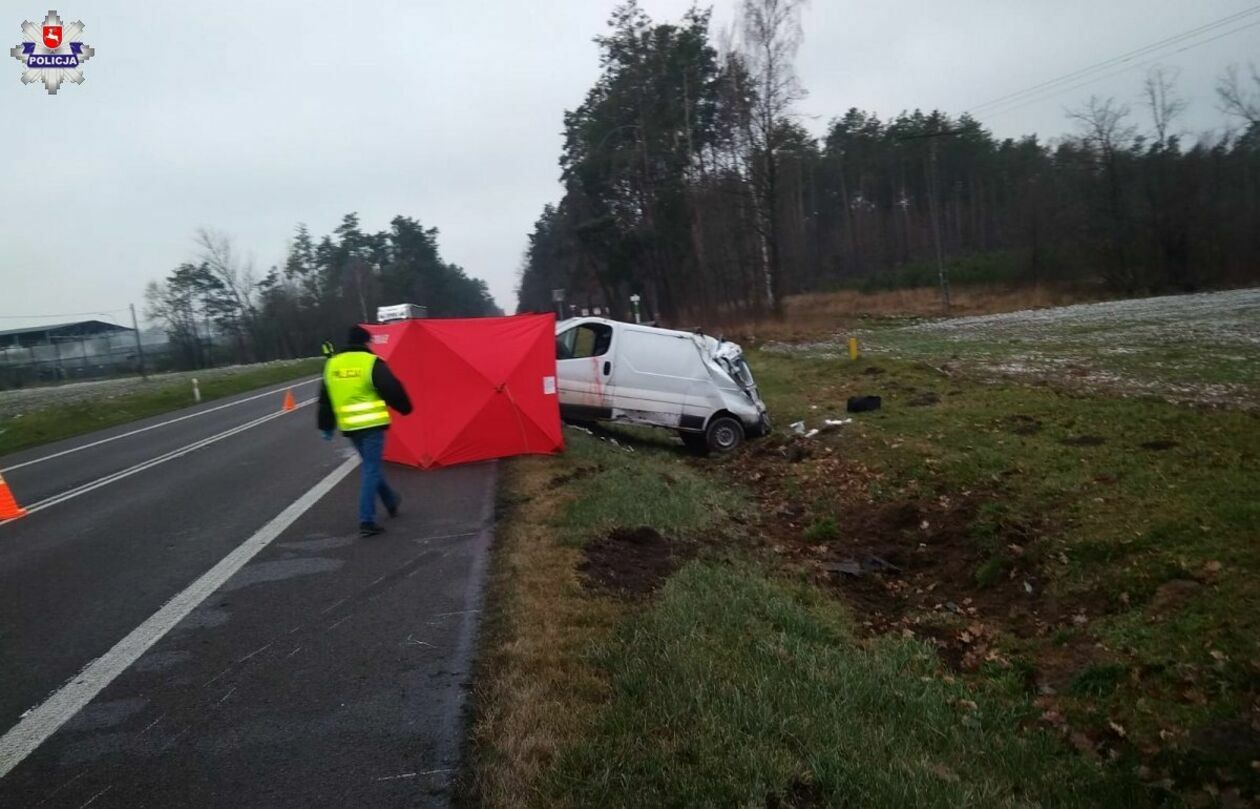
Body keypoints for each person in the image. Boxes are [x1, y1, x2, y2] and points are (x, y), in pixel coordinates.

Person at [318, 325, 414, 537]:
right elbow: (391, 387)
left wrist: (326, 426)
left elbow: (324, 399)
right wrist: (405, 408)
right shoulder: (370, 363)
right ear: (365, 342)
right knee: (371, 469)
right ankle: (366, 520)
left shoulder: (331, 365)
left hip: (350, 428)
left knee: (372, 467)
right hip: (371, 426)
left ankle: (390, 501)